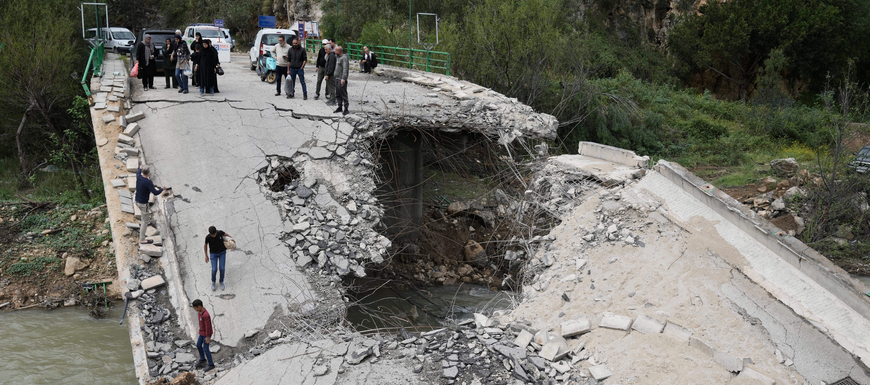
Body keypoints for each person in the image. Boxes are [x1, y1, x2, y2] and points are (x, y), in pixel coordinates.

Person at [135, 165, 165, 244]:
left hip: (137, 201)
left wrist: (140, 168)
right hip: (142, 203)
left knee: (145, 211)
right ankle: (142, 239)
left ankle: (147, 220)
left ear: (142, 172)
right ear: (148, 172)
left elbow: (138, 172)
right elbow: (155, 192)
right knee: (144, 222)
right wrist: (162, 189)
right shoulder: (148, 182)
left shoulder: (139, 177)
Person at [203, 226, 231, 291]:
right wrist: (206, 256)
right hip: (213, 254)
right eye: (212, 235)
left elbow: (226, 234)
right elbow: (205, 245)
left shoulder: (220, 233)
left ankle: (221, 281)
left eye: (214, 234)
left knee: (222, 268)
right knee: (214, 269)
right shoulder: (208, 238)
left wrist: (231, 240)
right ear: (210, 234)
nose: (213, 235)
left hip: (222, 253)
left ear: (216, 231)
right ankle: (213, 282)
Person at [191, 299, 215, 372]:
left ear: (199, 306)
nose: (195, 310)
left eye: (195, 308)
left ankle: (211, 364)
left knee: (205, 348)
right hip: (202, 332)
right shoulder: (200, 312)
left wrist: (207, 337)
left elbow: (208, 326)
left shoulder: (205, 315)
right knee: (198, 345)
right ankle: (202, 359)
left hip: (207, 333)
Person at [333, 46, 349, 115]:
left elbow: (345, 69)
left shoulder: (344, 58)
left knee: (343, 94)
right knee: (338, 94)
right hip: (337, 78)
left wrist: (343, 78)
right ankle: (339, 107)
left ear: (339, 51)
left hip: (341, 79)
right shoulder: (338, 58)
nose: (335, 52)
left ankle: (346, 108)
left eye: (336, 51)